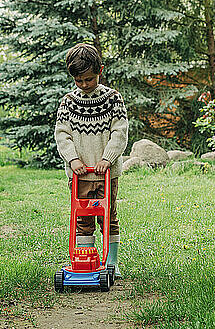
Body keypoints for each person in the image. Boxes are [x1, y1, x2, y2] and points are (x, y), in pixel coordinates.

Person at [54, 43, 128, 278]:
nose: (84, 85)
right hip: (80, 175)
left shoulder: (113, 99)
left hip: (106, 173)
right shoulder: (68, 102)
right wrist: (73, 159)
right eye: (79, 80)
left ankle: (111, 263)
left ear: (100, 71)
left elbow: (119, 131)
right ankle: (85, 264)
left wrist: (107, 158)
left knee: (108, 217)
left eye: (89, 79)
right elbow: (62, 134)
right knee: (82, 218)